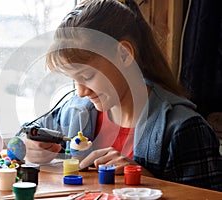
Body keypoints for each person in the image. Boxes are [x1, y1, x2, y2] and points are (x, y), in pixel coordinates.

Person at [20, 0, 222, 191]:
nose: (80, 92)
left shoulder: (182, 130)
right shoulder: (75, 112)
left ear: (124, 55)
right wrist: (26, 147)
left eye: (88, 76)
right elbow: (24, 137)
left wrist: (145, 180)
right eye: (74, 80)